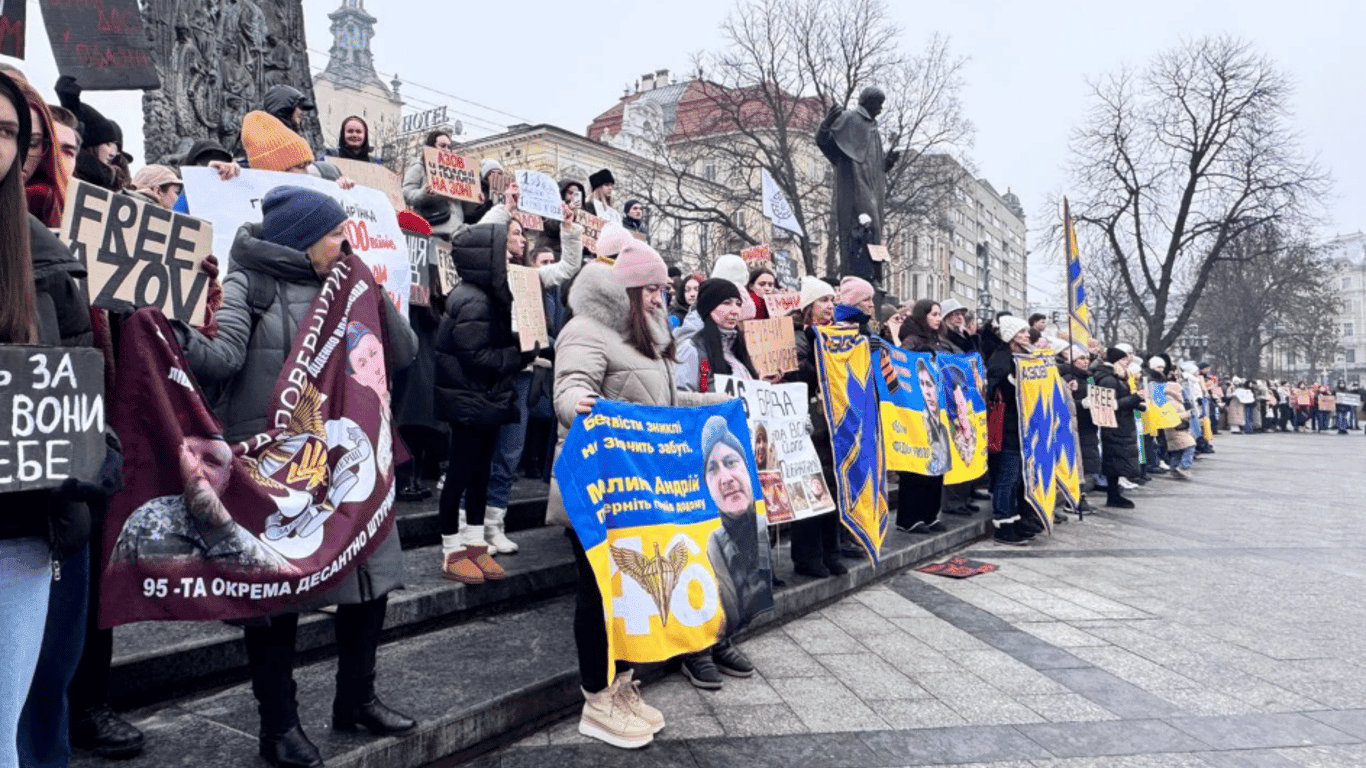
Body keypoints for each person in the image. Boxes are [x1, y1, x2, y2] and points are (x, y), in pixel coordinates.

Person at [178, 186, 419, 768]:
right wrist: (173, 323)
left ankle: (356, 697)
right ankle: (278, 726)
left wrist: (375, 297)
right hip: (275, 466)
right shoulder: (249, 282)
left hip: (348, 459)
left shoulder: (350, 284)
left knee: (370, 580)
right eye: (337, 232)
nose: (347, 240)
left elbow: (405, 352)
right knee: (275, 599)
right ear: (305, 236)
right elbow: (219, 360)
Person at [547, 242, 725, 748]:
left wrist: (722, 401)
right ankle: (597, 698)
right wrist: (573, 404)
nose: (660, 298)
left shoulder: (648, 336)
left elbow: (668, 401)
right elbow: (569, 386)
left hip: (642, 492)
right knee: (598, 596)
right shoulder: (585, 329)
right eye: (651, 289)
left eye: (663, 290)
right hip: (600, 490)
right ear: (626, 291)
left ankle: (622, 685)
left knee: (628, 597)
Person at [434, 220, 548, 584]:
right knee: (460, 476)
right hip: (469, 400)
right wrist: (519, 356)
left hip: (482, 400)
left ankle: (474, 545)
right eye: (501, 252)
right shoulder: (472, 299)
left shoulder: (483, 296)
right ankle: (452, 550)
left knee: (480, 473)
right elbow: (477, 355)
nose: (508, 257)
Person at [474, 203, 584, 554]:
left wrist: (569, 229)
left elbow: (567, 267)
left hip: (521, 373)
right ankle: (473, 526)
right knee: (481, 450)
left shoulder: (529, 277)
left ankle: (495, 524)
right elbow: (474, 236)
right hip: (488, 372)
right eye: (513, 232)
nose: (520, 238)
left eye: (522, 233)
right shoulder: (483, 273)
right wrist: (503, 209)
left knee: (510, 451)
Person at [784, 276, 845, 578]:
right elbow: (797, 375)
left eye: (833, 300)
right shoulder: (796, 337)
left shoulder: (834, 335)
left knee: (831, 488)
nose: (830, 306)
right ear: (808, 306)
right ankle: (809, 556)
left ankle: (830, 552)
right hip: (808, 423)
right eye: (824, 300)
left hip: (831, 423)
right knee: (810, 489)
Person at [700, 416, 773, 640]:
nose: (725, 478)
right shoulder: (711, 547)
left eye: (731, 462)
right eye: (713, 469)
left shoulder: (763, 524)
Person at [815, 86, 897, 281]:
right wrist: (825, 124)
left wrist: (888, 162)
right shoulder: (849, 118)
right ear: (869, 102)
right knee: (861, 231)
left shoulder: (872, 127)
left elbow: (874, 166)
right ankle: (860, 280)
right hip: (855, 188)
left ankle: (874, 280)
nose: (881, 109)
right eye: (879, 104)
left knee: (874, 232)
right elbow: (824, 141)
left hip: (873, 191)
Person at [895, 300, 951, 533]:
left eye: (939, 314)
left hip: (937, 410)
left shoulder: (937, 340)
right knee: (917, 467)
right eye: (934, 314)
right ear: (922, 316)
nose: (938, 318)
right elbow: (903, 368)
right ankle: (909, 518)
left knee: (936, 463)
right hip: (917, 410)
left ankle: (930, 514)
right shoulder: (912, 339)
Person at [986, 316, 1033, 544]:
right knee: (1007, 476)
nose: (1027, 336)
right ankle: (1003, 523)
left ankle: (1014, 519)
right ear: (1012, 336)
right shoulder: (1001, 359)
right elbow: (994, 390)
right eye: (1023, 332)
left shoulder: (1023, 358)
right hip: (1007, 426)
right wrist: (1011, 381)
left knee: (1016, 478)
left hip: (1021, 426)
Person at [674, 278, 760, 392]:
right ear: (709, 308)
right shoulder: (691, 349)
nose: (735, 311)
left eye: (738, 304)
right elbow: (680, 400)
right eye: (726, 303)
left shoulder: (736, 348)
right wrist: (716, 402)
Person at [1094, 347, 1146, 509]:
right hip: (1115, 425)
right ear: (1115, 362)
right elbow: (1111, 405)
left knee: (1118, 460)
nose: (1127, 362)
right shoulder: (1108, 379)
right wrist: (1135, 398)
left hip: (1122, 424)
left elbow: (1123, 400)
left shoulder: (1117, 378)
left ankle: (1115, 493)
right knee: (1114, 460)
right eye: (1123, 360)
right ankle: (1113, 495)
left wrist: (1138, 404)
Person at [402, 130, 467, 238]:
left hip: (456, 231)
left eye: (449, 147)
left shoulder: (457, 172)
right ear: (431, 146)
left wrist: (475, 198)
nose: (446, 150)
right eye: (442, 146)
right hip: (434, 230)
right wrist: (424, 193)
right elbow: (406, 193)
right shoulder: (419, 166)